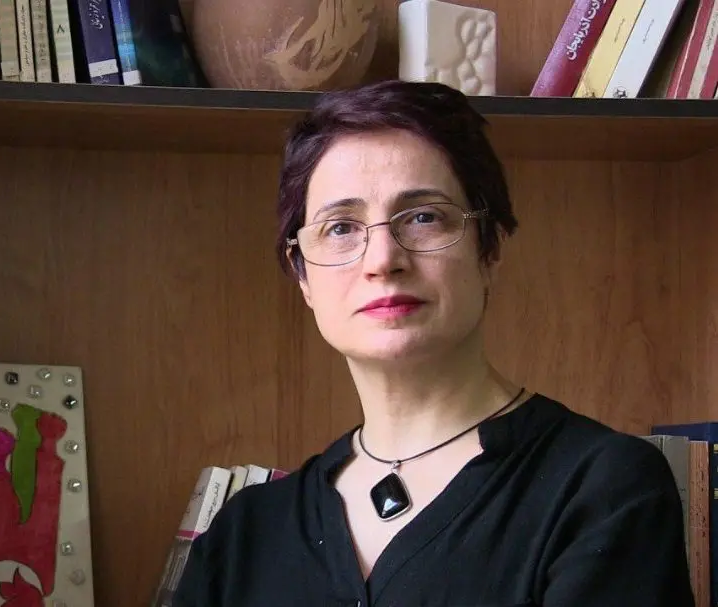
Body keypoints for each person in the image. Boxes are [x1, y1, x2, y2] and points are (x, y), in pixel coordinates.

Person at [173, 79, 694, 606]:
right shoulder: (242, 534)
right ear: (302, 275)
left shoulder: (603, 491)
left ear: (488, 250)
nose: (382, 260)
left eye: (423, 217)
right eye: (340, 228)